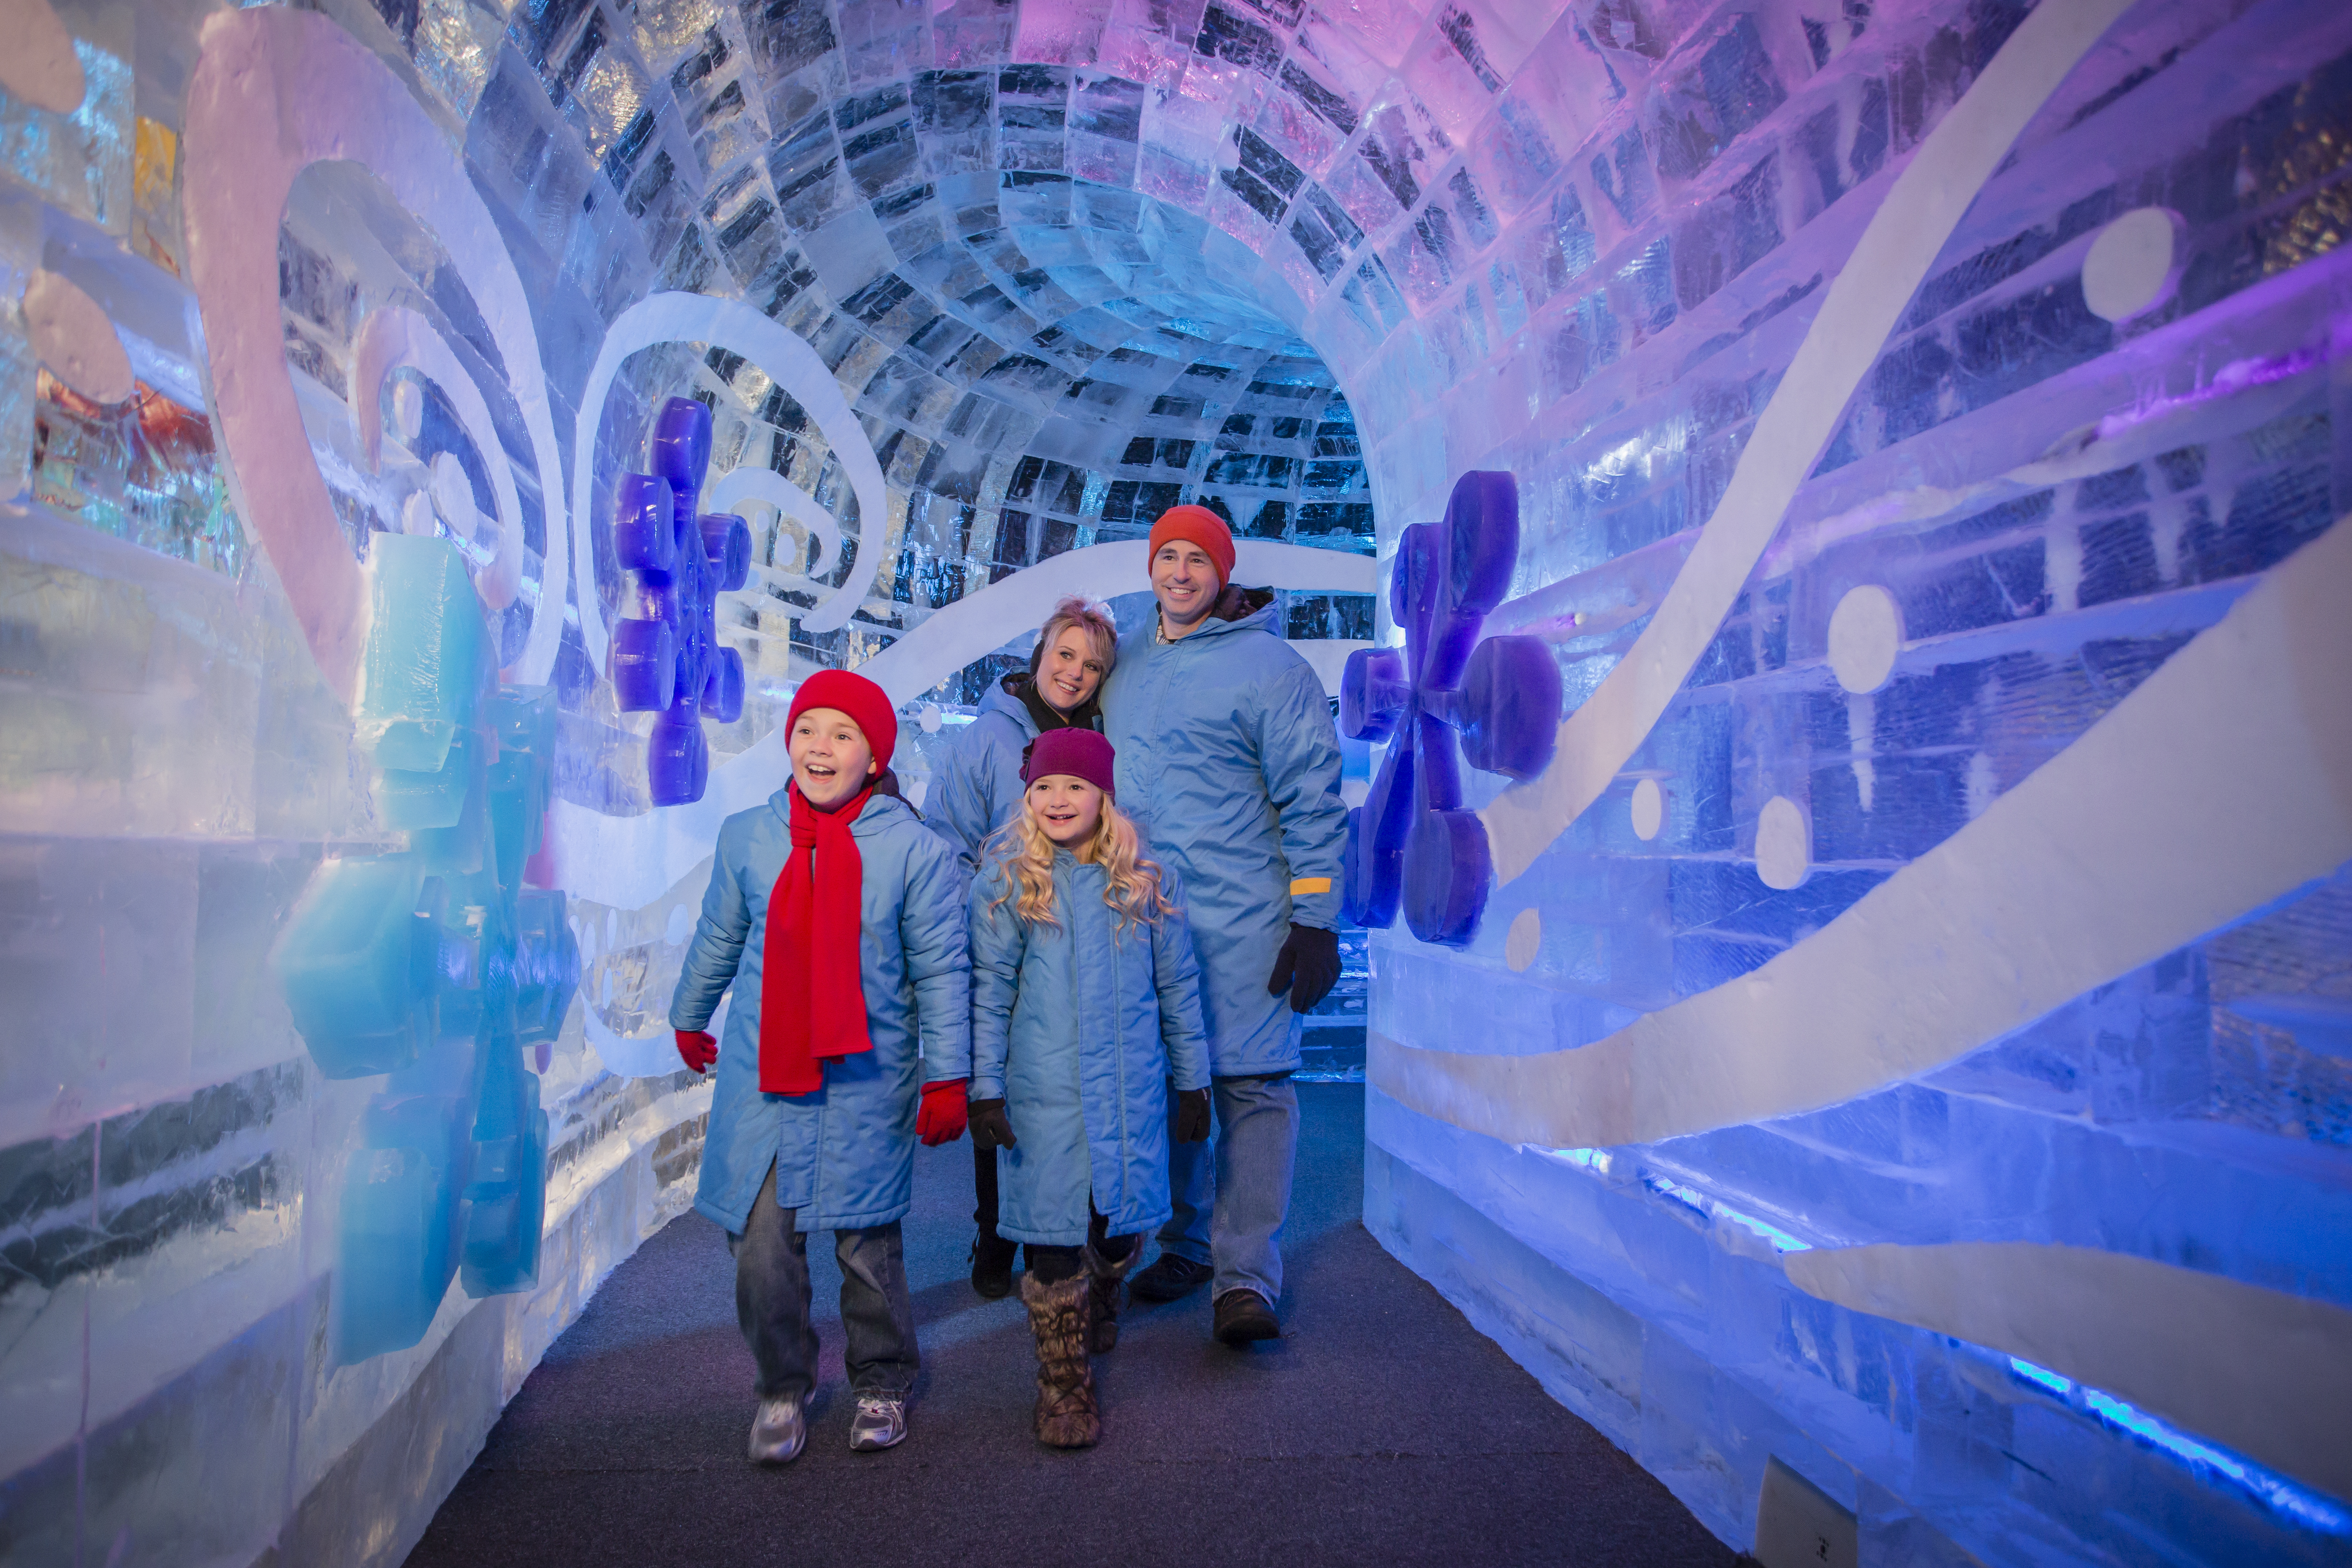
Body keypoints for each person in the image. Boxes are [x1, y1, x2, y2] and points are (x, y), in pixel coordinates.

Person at [668, 670, 971, 1466]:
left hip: (863, 1084)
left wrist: (948, 1076)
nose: (821, 747)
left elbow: (942, 973)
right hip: (765, 1080)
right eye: (809, 730)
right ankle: (782, 1383)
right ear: (790, 740)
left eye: (843, 734)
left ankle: (881, 1379)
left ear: (874, 756)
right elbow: (718, 937)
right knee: (759, 1244)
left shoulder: (914, 852)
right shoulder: (748, 836)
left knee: (865, 1248)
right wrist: (689, 1014)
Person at [1100, 504, 1347, 1347]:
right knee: (1173, 1087)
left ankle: (1246, 1278)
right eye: (1166, 557)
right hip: (1148, 922)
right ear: (1150, 568)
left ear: (1222, 573)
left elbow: (1311, 799)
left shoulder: (1272, 669)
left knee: (1250, 1088)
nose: (1179, 573)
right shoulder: (1125, 660)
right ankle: (1190, 1242)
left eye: (1195, 560)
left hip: (1246, 922)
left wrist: (1315, 919)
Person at [967, 727, 1212, 1447]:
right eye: (1043, 786)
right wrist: (984, 1090)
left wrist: (1193, 1082)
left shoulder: (1148, 884)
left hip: (1128, 1094)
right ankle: (1063, 1387)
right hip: (1043, 1100)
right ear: (1027, 797)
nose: (1057, 799)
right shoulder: (1010, 883)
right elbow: (990, 993)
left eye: (1075, 785)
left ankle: (1105, 1288)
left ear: (1105, 797)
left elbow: (1179, 988)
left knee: (1114, 1231)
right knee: (1050, 1243)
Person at [926, 597, 1121, 1299]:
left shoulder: (1105, 738)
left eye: (1092, 665)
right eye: (1065, 655)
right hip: (1000, 935)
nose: (1074, 673)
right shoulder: (984, 739)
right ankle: (995, 1227)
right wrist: (963, 929)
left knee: (1064, 1093)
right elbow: (946, 839)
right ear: (1040, 656)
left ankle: (1079, 1231)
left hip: (1077, 947)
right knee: (995, 1084)